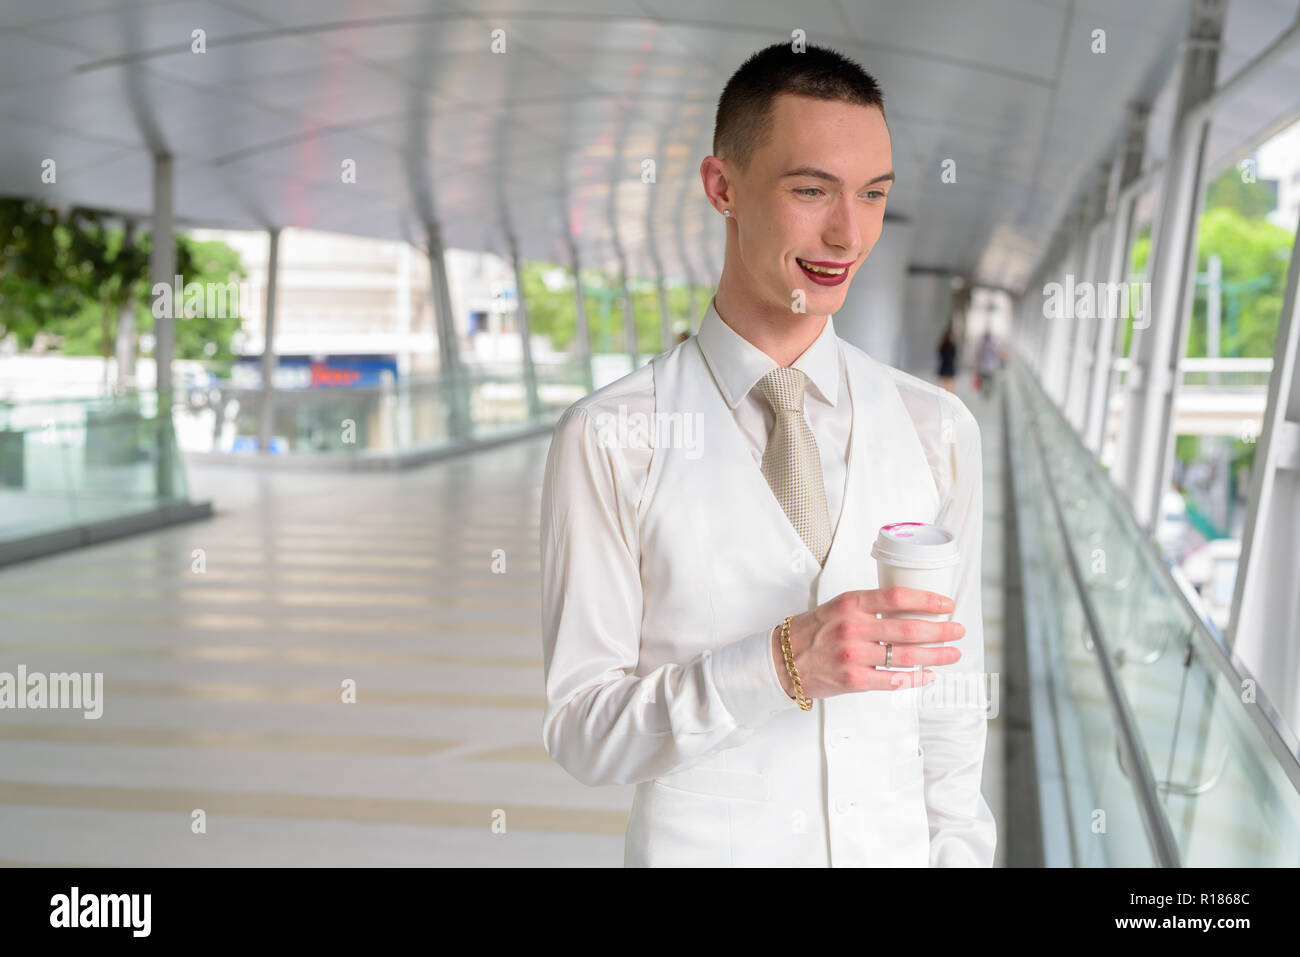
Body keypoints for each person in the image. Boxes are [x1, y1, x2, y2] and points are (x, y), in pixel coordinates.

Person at [540, 42, 995, 868]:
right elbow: (583, 731)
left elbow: (953, 701)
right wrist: (779, 663)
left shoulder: (939, 429)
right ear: (724, 188)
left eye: (873, 195)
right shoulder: (614, 437)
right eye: (811, 189)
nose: (847, 234)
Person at [976, 330, 1003, 400]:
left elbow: (978, 356)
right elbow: (997, 354)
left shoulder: (981, 345)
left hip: (983, 368)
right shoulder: (993, 346)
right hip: (991, 368)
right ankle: (988, 394)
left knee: (984, 381)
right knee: (990, 382)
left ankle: (984, 393)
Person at [937, 326, 957, 393]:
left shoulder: (945, 345)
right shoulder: (948, 345)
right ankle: (946, 396)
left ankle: (946, 395)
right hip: (947, 366)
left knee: (947, 384)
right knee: (947, 384)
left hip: (947, 366)